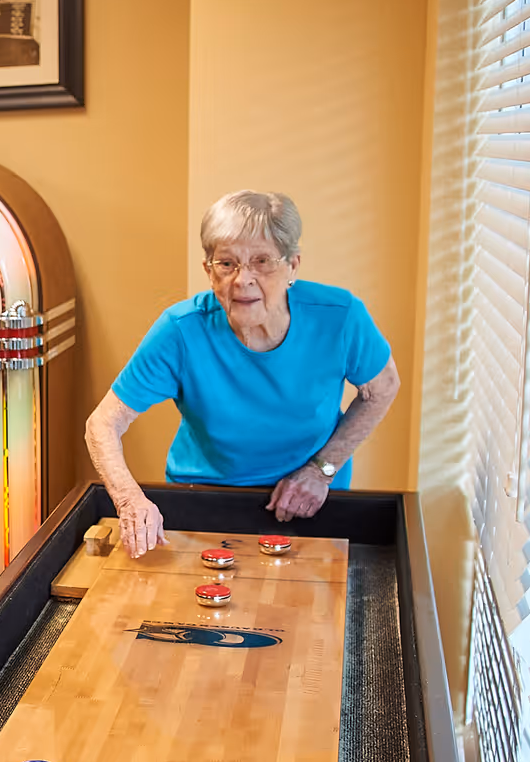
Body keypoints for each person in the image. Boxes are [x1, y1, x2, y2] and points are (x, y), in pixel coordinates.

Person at [84, 190, 402, 557]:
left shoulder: (340, 316)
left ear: (292, 266)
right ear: (209, 272)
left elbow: (382, 388)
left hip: (309, 499)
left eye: (262, 261)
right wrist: (130, 502)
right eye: (227, 264)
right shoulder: (181, 330)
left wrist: (321, 470)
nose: (242, 279)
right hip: (203, 498)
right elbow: (102, 425)